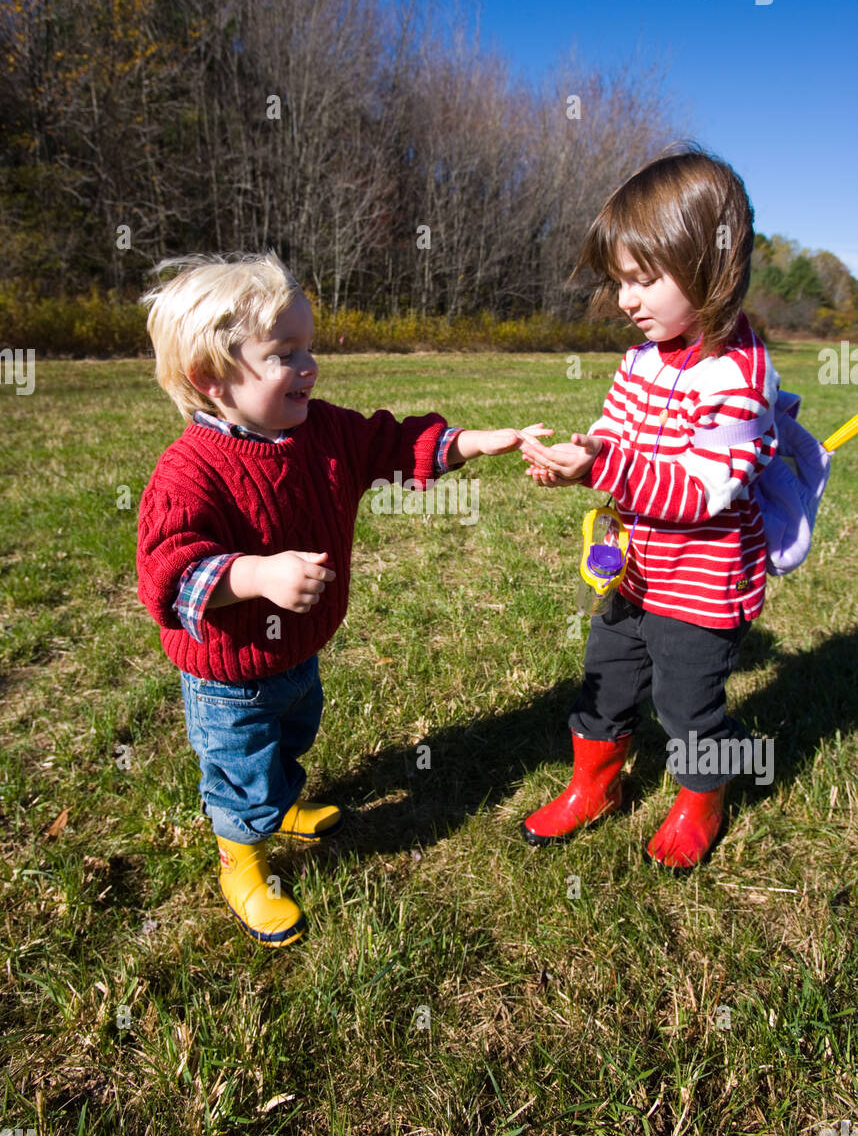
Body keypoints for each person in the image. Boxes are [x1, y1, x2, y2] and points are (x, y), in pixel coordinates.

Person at [136, 251, 551, 944]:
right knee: (242, 770)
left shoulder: (322, 431)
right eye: (283, 354)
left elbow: (390, 443)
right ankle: (241, 857)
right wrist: (256, 576)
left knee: (295, 732)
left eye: (309, 348)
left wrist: (477, 443)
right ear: (210, 380)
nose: (309, 367)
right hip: (228, 676)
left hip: (298, 651)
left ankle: (282, 804)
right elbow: (169, 577)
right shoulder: (189, 472)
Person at [519, 146, 778, 870]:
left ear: (710, 268)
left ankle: (702, 798)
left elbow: (701, 491)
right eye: (619, 281)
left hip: (702, 582)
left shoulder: (739, 377)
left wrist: (604, 467)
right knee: (605, 676)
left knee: (687, 703)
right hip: (636, 568)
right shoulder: (643, 356)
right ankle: (592, 786)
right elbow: (616, 428)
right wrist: (585, 456)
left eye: (643, 279)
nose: (626, 300)